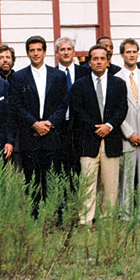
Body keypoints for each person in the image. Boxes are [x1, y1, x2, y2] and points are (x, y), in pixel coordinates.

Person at [71, 44, 128, 224]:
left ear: (108, 61)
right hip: (89, 139)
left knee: (110, 185)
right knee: (87, 183)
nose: (98, 62)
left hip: (111, 140)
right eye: (95, 59)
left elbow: (122, 108)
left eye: (102, 58)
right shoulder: (80, 85)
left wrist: (109, 126)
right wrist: (96, 127)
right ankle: (86, 220)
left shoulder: (118, 83)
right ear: (89, 62)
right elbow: (77, 110)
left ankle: (107, 218)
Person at [10, 36, 69, 210]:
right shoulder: (19, 77)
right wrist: (34, 124)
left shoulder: (58, 75)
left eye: (38, 50)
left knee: (52, 178)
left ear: (45, 52)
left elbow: (63, 103)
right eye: (32, 50)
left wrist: (49, 123)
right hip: (31, 136)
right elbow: (16, 105)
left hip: (52, 136)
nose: (35, 53)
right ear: (27, 53)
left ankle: (52, 215)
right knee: (32, 180)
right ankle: (34, 217)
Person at [116, 38, 140, 220]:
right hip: (128, 136)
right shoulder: (116, 79)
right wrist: (129, 132)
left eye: (134, 52)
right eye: (128, 52)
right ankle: (125, 214)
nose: (131, 55)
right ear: (122, 54)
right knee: (126, 178)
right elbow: (116, 110)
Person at [54, 37, 90, 177]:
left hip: (81, 128)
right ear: (57, 52)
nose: (66, 52)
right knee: (60, 170)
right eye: (62, 49)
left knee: (80, 171)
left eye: (69, 49)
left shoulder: (84, 73)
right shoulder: (51, 75)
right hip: (60, 128)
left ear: (74, 52)